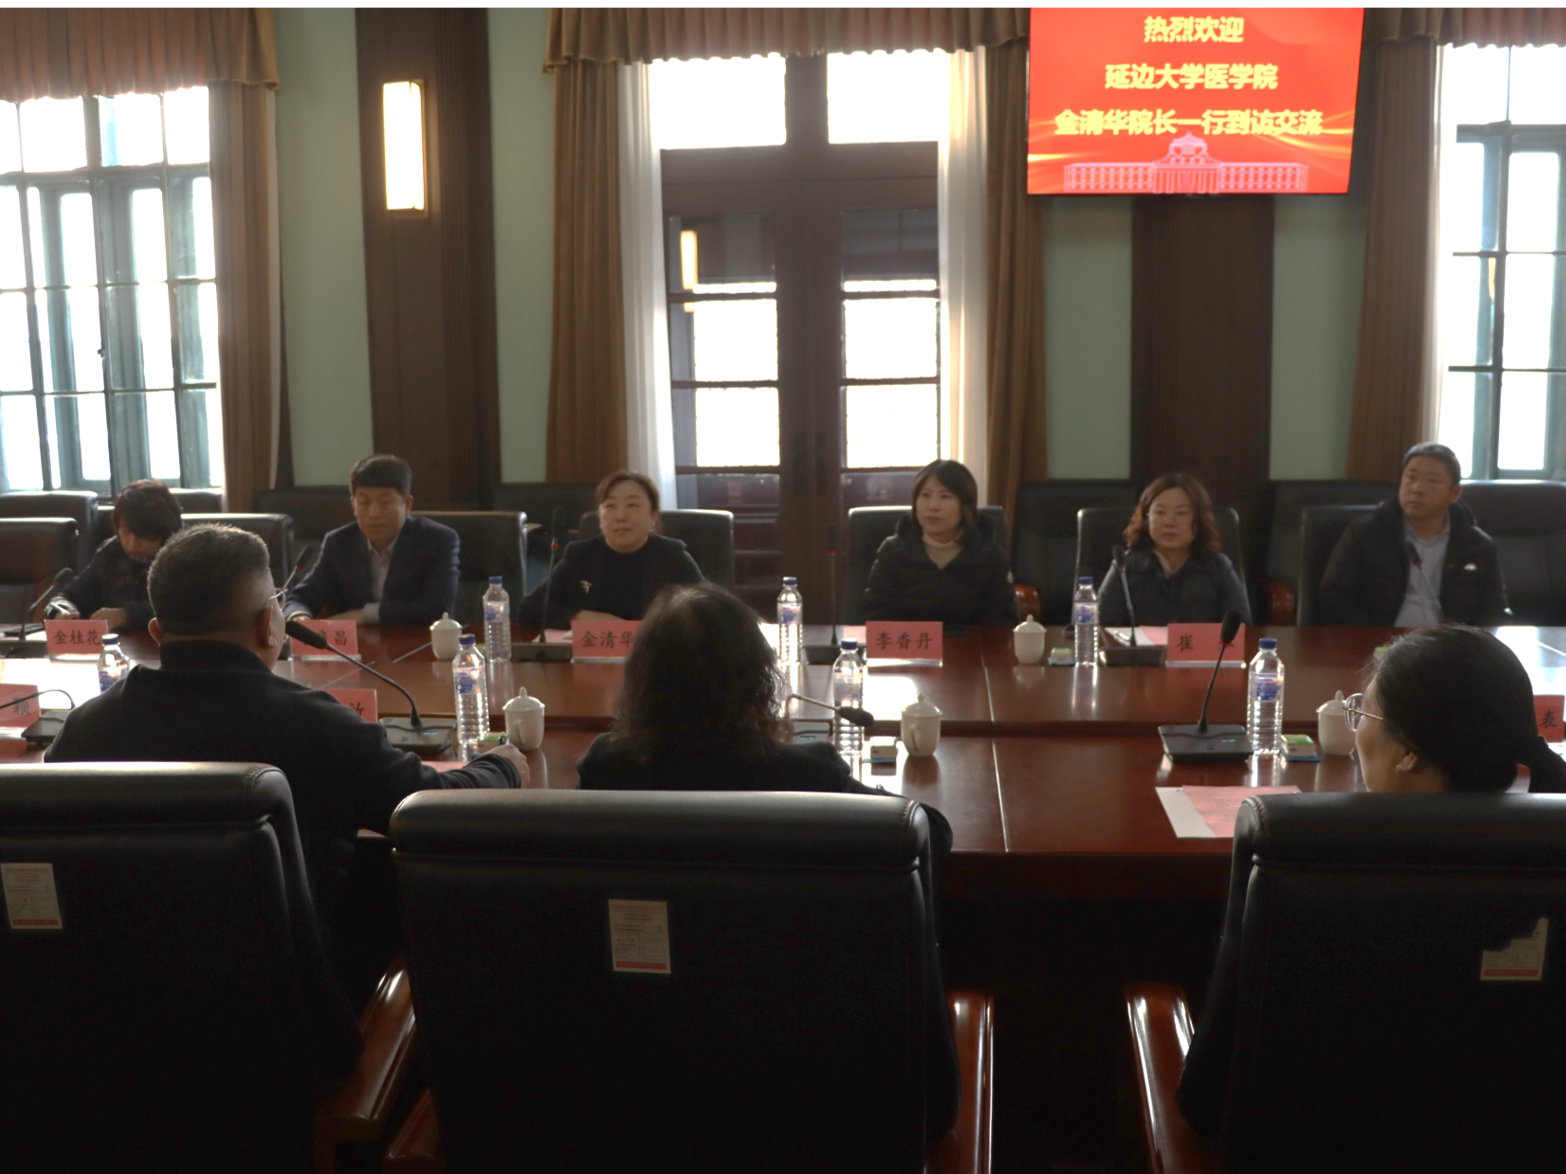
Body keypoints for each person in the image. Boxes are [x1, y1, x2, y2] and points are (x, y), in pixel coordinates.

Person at [574, 581, 959, 1143]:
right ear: (759, 680)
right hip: (814, 1084)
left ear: (642, 682)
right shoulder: (808, 776)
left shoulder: (605, 770)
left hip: (650, 1085)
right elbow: (927, 835)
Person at [1176, 625, 1566, 1137]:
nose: (1357, 729)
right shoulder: (1543, 858)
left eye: (1363, 713)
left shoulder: (1301, 853)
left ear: (1408, 753)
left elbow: (1205, 1094)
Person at [47, 524, 525, 931]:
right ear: (268, 625)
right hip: (289, 998)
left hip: (121, 995)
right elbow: (430, 812)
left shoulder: (85, 730)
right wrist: (501, 766)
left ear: (156, 633)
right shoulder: (315, 725)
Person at [1317, 442, 1506, 626]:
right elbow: (1334, 597)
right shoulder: (1364, 534)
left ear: (1455, 493)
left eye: (1432, 480)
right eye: (1411, 477)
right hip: (1378, 642)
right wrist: (1370, 639)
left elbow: (1494, 612)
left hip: (1450, 643)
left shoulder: (1478, 546)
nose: (1417, 488)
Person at [284, 454, 458, 627]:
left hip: (419, 641)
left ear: (407, 505)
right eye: (364, 502)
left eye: (384, 502)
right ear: (353, 505)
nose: (374, 513)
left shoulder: (437, 540)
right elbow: (300, 597)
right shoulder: (339, 543)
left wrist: (364, 615)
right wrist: (299, 617)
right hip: (357, 643)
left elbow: (437, 608)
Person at [517, 469, 703, 629]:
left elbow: (708, 611)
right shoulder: (580, 556)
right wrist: (579, 616)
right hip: (593, 656)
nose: (620, 516)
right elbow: (528, 609)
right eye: (610, 506)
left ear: (653, 515)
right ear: (600, 515)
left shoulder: (672, 556)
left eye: (632, 505)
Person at [861, 459, 1014, 628]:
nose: (933, 506)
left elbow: (1002, 624)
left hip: (971, 645)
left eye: (945, 496)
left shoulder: (990, 556)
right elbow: (876, 616)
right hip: (909, 644)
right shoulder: (893, 551)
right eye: (925, 495)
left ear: (966, 506)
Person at [1098, 473, 1250, 626]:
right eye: (1160, 512)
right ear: (1146, 518)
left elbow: (1241, 628)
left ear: (1199, 520)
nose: (1169, 522)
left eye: (1182, 513)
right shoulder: (1124, 567)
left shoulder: (1218, 567)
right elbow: (1102, 627)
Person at [47, 479, 182, 632]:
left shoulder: (181, 555)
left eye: (143, 534)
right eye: (126, 531)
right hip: (117, 645)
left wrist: (126, 615)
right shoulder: (111, 552)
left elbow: (178, 607)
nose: (132, 543)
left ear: (164, 532)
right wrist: (61, 610)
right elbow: (68, 596)